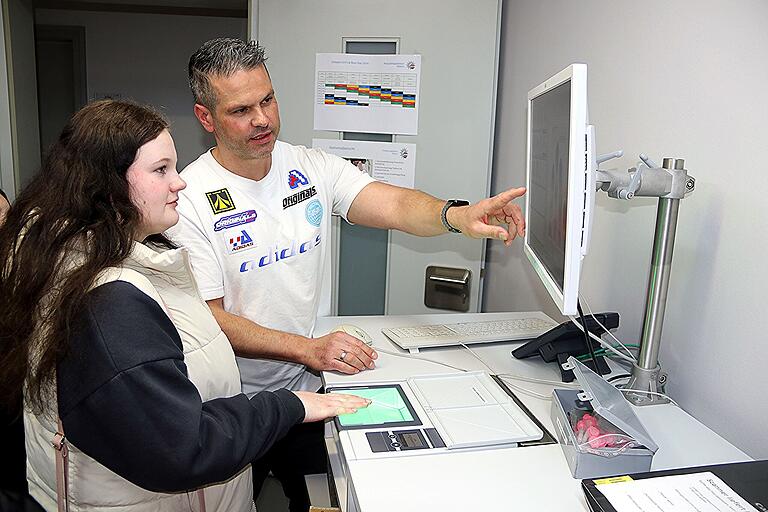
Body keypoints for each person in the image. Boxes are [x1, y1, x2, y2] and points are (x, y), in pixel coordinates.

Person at [170, 38, 527, 511]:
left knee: (325, 498)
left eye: (268, 100)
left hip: (309, 394)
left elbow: (395, 204)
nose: (262, 119)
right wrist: (309, 349)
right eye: (241, 110)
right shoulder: (188, 198)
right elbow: (209, 319)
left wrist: (456, 216)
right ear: (206, 118)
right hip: (233, 406)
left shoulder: (310, 167)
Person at [0, 99, 368, 512]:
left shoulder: (117, 256)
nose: (180, 183)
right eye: (161, 170)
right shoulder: (108, 304)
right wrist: (290, 405)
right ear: (106, 186)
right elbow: (184, 447)